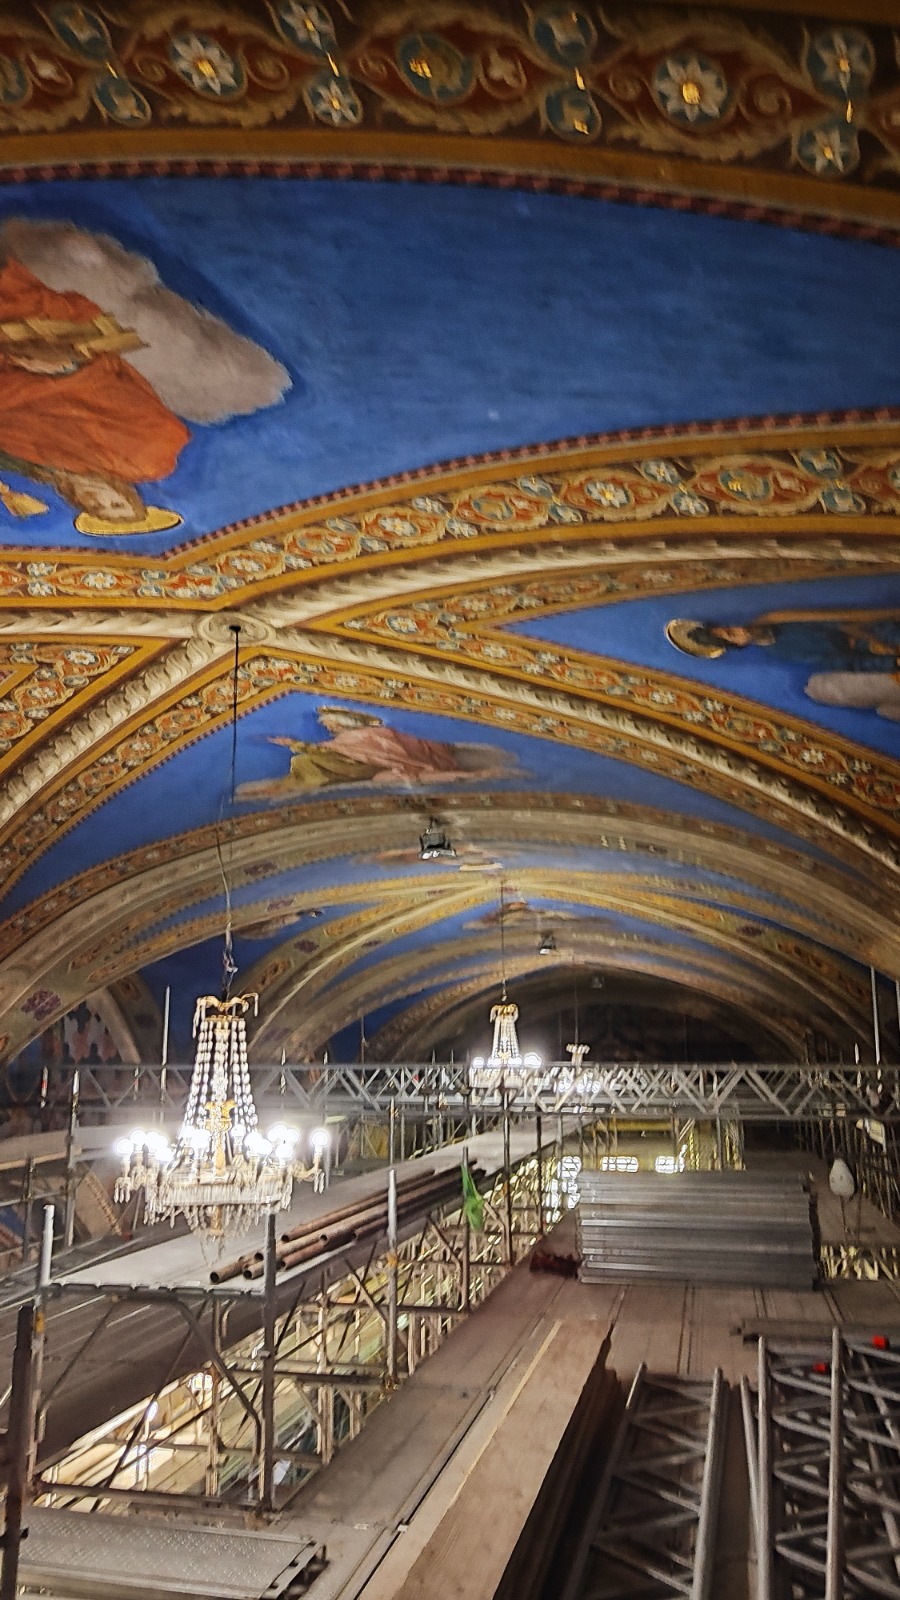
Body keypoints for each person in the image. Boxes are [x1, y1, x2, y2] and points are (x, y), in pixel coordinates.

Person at [0, 255, 187, 534]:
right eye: (115, 504)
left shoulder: (40, 471)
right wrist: (66, 369)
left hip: (9, 382)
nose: (98, 501)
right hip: (62, 368)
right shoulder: (144, 461)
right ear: (126, 494)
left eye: (97, 509)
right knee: (23, 307)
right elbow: (120, 399)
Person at [666, 613, 900, 670]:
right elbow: (843, 662)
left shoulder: (778, 619)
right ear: (739, 644)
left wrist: (876, 639)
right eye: (732, 635)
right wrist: (890, 663)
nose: (739, 629)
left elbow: (841, 622)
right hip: (874, 651)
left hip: (879, 630)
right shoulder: (781, 652)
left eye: (730, 628)